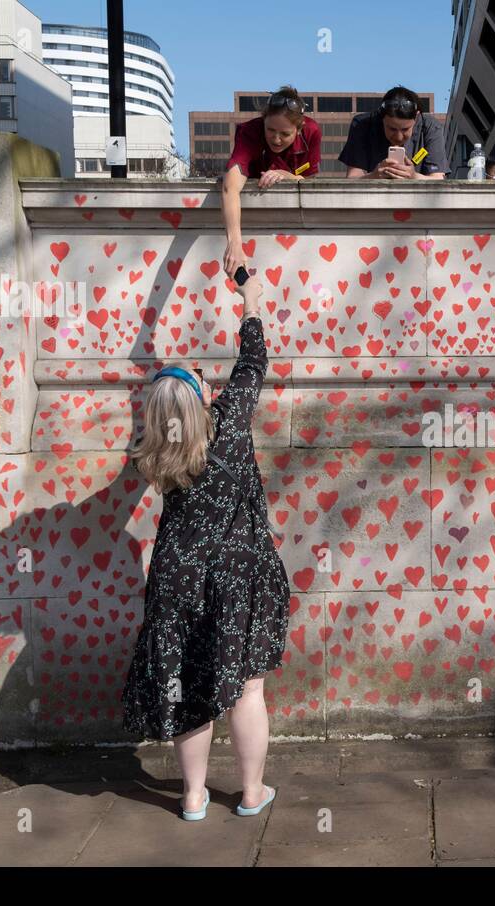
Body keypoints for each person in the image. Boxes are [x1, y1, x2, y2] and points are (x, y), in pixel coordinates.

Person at [121, 274, 291, 820]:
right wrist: (250, 298)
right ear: (201, 400)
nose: (204, 374)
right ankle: (250, 792)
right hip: (237, 573)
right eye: (198, 376)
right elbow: (253, 360)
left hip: (176, 578)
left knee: (187, 683)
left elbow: (165, 418)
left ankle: (192, 797)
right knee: (245, 689)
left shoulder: (151, 452)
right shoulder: (231, 426)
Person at [222, 87, 321, 275]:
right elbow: (230, 188)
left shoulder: (312, 132)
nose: (276, 139)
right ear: (263, 122)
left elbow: (310, 183)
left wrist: (285, 174)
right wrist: (235, 244)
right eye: (270, 130)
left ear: (299, 130)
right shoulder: (248, 132)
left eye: (285, 134)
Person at [339, 86, 448, 180]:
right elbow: (352, 178)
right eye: (392, 129)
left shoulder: (431, 127)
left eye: (405, 129)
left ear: (417, 117)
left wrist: (413, 176)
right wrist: (374, 176)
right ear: (381, 119)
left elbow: (438, 179)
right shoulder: (362, 125)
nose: (398, 137)